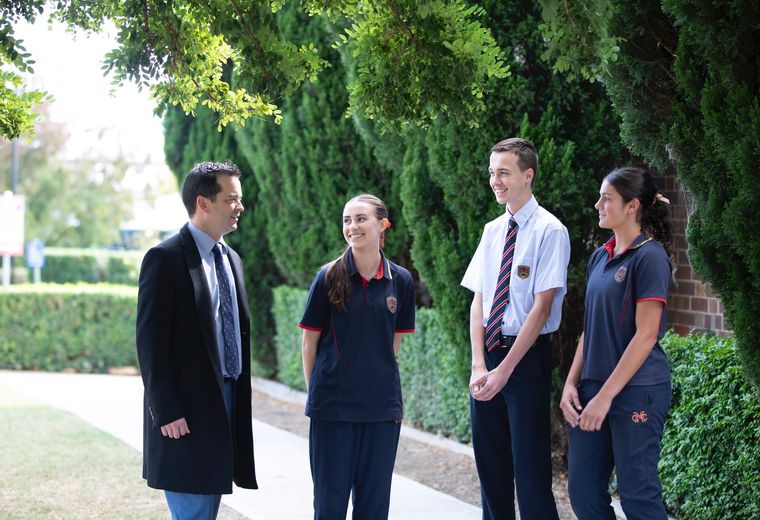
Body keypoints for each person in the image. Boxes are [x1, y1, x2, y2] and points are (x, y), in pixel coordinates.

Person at [136, 161, 257, 519]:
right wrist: (168, 410)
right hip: (185, 409)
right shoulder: (165, 259)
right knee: (192, 509)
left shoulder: (231, 259)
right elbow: (150, 343)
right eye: (231, 199)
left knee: (208, 506)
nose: (240, 207)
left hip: (229, 400)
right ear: (204, 203)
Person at [461, 137, 570, 520]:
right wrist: (479, 365)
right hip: (488, 356)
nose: (495, 181)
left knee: (530, 471)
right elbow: (478, 300)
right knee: (490, 468)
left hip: (524, 362)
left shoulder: (549, 231)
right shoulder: (492, 230)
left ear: (528, 175)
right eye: (492, 173)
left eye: (503, 173)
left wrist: (504, 371)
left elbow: (541, 310)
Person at [561, 166, 673, 519]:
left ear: (632, 206)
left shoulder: (650, 256)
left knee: (638, 493)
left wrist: (606, 398)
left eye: (606, 199)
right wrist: (570, 384)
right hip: (592, 387)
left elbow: (646, 335)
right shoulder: (600, 256)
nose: (597, 205)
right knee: (582, 491)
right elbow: (588, 330)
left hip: (637, 389)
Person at [298, 193, 415, 520]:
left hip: (382, 411)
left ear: (383, 225)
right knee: (330, 504)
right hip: (333, 411)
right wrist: (318, 394)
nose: (352, 226)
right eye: (347, 220)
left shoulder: (401, 281)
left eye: (361, 219)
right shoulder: (327, 277)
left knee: (374, 507)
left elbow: (392, 345)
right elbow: (309, 343)